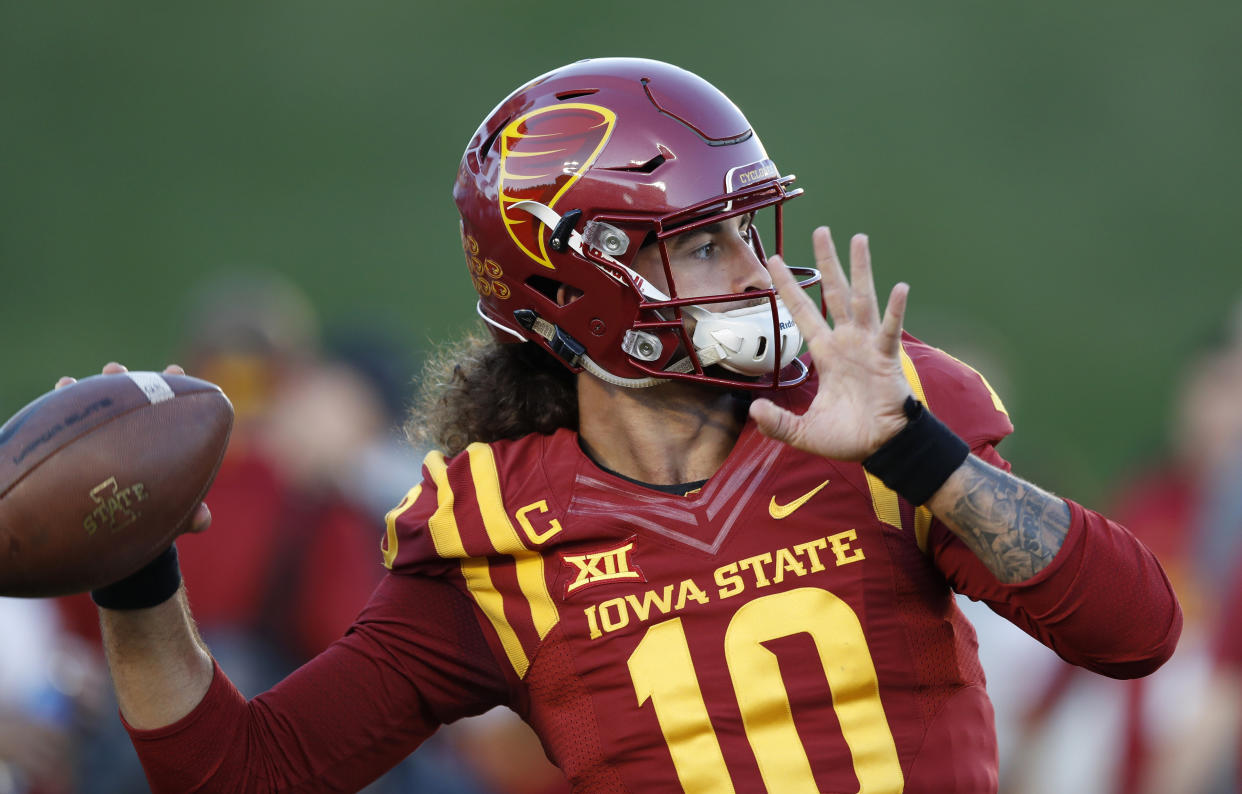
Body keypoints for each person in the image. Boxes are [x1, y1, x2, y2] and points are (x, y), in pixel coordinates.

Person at [60, 57, 1181, 793]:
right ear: (576, 282)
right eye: (703, 242)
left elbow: (1137, 630)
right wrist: (135, 574)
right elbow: (238, 775)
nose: (756, 268)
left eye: (747, 227)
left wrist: (913, 450)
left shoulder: (879, 417)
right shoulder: (496, 531)